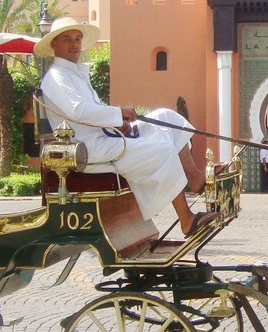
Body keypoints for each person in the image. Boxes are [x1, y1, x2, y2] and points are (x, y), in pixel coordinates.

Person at [35, 17, 216, 236]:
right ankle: (186, 219)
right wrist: (117, 114)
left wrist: (117, 124)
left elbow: (91, 113)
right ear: (54, 44)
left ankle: (195, 178)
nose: (74, 44)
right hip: (88, 149)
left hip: (105, 138)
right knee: (161, 149)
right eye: (67, 39)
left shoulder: (75, 74)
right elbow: (78, 111)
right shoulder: (56, 76)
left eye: (77, 38)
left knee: (168, 118)